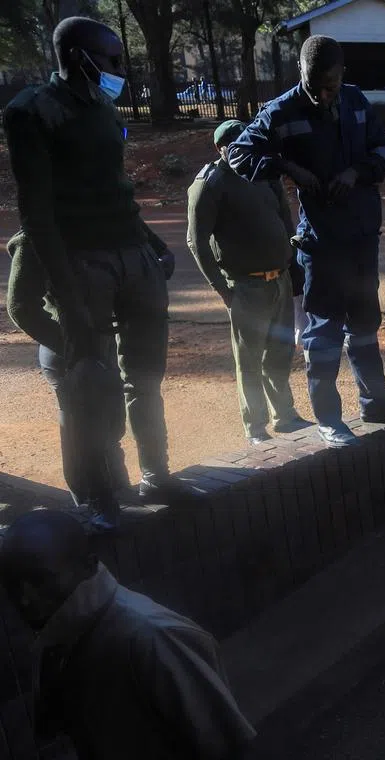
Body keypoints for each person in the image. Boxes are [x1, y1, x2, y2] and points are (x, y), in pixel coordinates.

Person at [4, 16, 192, 507]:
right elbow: (36, 210)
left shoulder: (105, 106)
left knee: (146, 378)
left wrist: (152, 244)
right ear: (75, 56)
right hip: (82, 261)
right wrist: (67, 300)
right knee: (92, 386)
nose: (117, 68)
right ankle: (100, 497)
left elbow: (115, 188)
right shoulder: (32, 111)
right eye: (109, 59)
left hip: (132, 256)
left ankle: (157, 474)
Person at [228, 35, 385, 448]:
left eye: (330, 85)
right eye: (313, 84)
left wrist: (356, 173)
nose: (322, 94)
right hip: (322, 243)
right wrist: (287, 167)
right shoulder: (281, 111)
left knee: (366, 325)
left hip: (362, 235)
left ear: (342, 76)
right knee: (323, 332)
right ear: (302, 73)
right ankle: (329, 419)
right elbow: (239, 154)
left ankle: (376, 402)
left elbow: (382, 148)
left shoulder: (355, 101)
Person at [0, 509, 256, 759]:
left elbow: (227, 744)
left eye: (40, 580)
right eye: (13, 585)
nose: (25, 600)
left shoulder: (151, 636)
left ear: (88, 566)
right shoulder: (60, 634)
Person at [186, 119, 312, 446]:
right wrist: (224, 291)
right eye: (234, 144)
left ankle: (285, 416)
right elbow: (196, 242)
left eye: (246, 140)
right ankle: (256, 427)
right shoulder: (211, 184)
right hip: (246, 286)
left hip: (279, 281)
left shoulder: (263, 174)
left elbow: (286, 223)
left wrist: (293, 271)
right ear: (220, 148)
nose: (242, 148)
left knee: (281, 353)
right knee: (250, 360)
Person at [7, 229, 130, 527]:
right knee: (81, 435)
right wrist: (72, 346)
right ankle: (89, 506)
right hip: (66, 350)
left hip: (103, 342)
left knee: (112, 426)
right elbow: (20, 307)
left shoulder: (98, 223)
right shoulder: (38, 234)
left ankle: (121, 496)